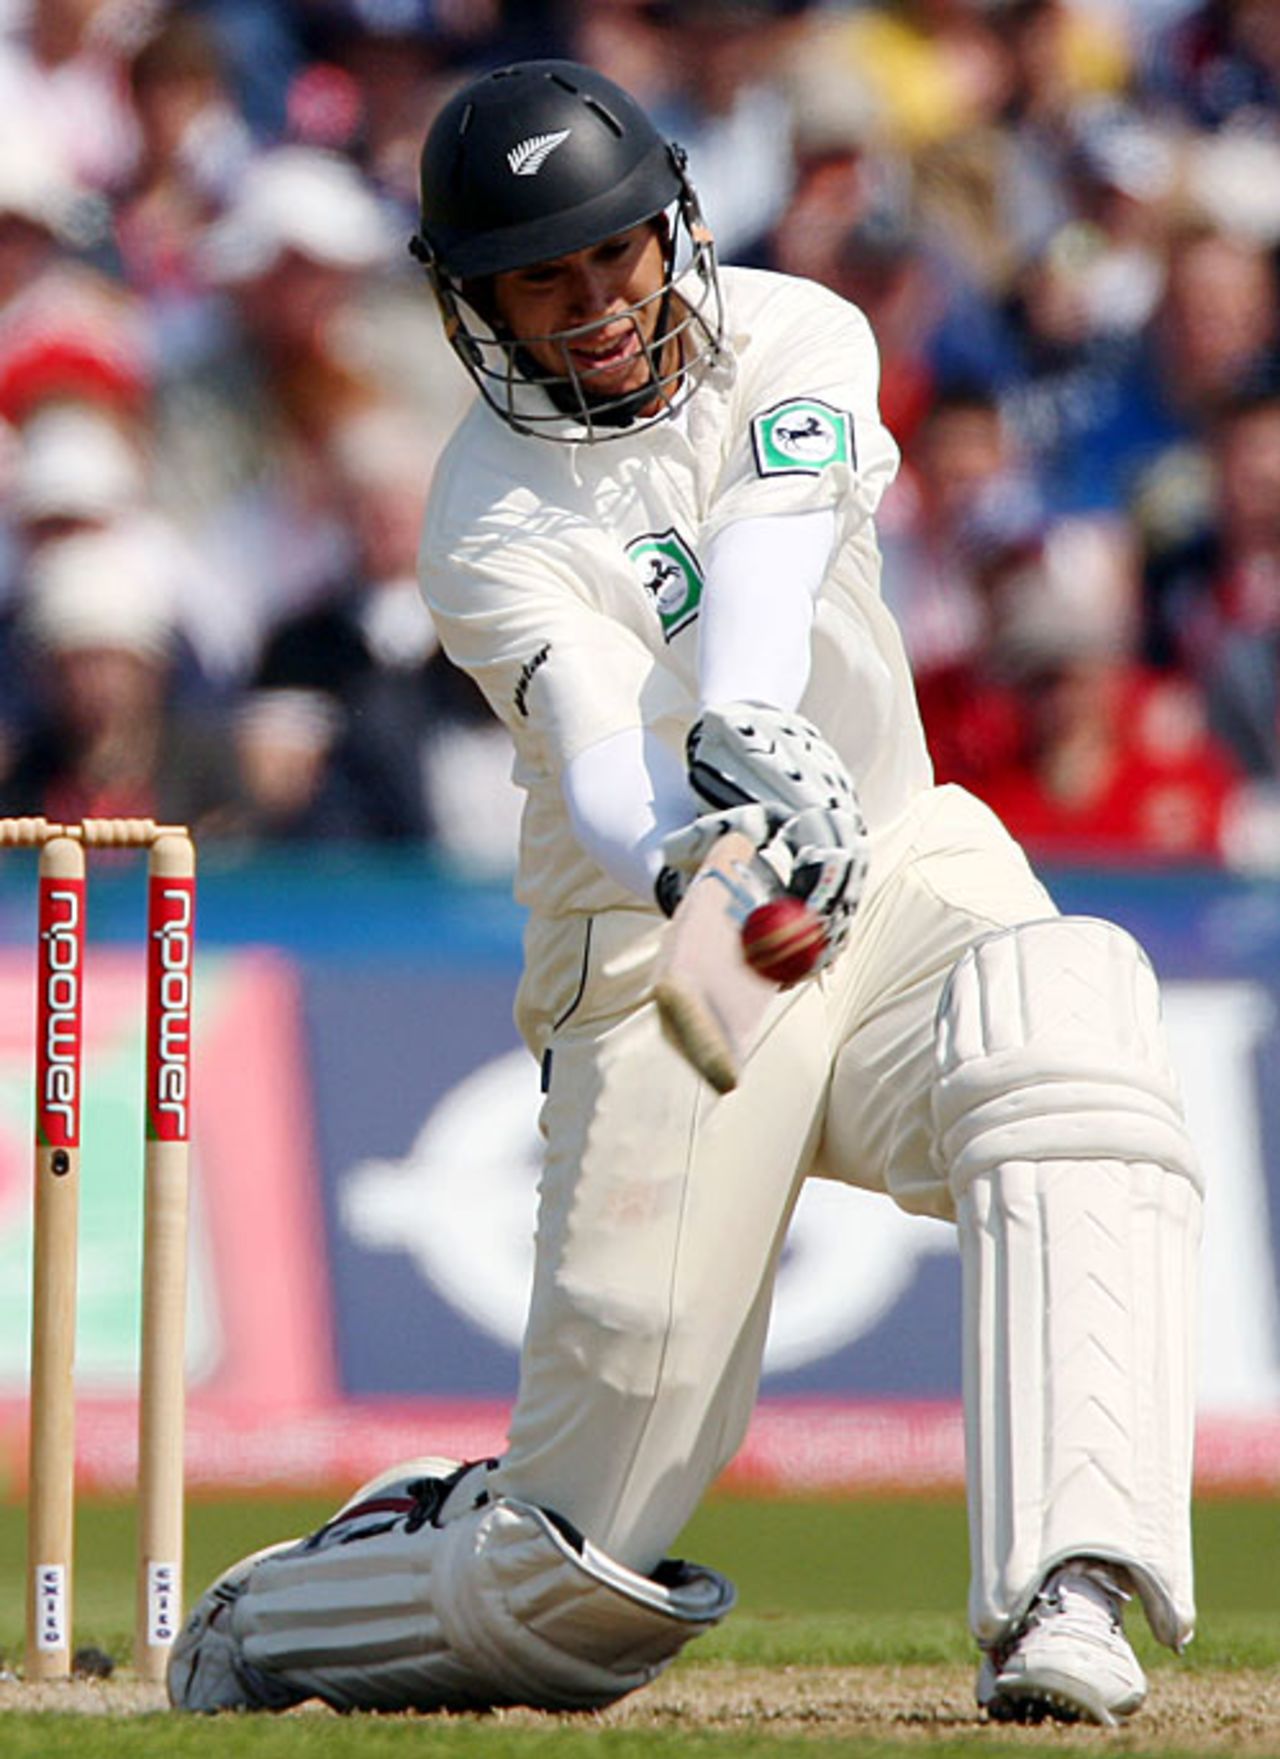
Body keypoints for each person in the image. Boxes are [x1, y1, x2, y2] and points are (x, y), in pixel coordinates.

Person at [168, 59, 1204, 1727]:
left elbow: (778, 553)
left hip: (885, 849)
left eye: (616, 256)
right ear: (476, 305)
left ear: (675, 228)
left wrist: (758, 736)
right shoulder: (485, 515)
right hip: (671, 951)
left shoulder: (803, 333)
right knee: (568, 1585)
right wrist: (686, 836)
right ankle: (297, 1604)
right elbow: (589, 735)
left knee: (1069, 1030)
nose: (593, 306)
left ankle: (1068, 1588)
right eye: (542, 280)